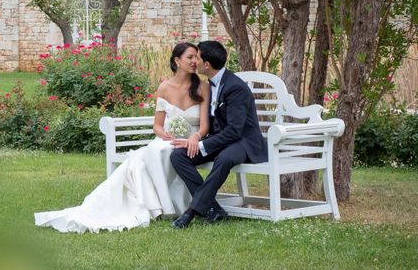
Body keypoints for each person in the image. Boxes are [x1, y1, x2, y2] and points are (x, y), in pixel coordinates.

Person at [34, 42, 210, 233]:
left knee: (159, 153)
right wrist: (164, 135)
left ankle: (167, 205)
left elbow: (204, 126)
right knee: (154, 151)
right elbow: (157, 125)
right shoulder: (164, 88)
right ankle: (157, 206)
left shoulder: (202, 87)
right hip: (167, 139)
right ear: (177, 60)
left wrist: (195, 137)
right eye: (190, 57)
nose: (194, 62)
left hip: (191, 141)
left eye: (196, 57)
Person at [170, 40, 268, 228]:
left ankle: (191, 212)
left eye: (197, 57)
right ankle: (214, 209)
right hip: (220, 141)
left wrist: (202, 145)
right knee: (179, 156)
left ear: (206, 64)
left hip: (243, 142)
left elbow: (234, 131)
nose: (194, 61)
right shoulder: (210, 84)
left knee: (223, 158)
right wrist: (195, 138)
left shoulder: (234, 87)